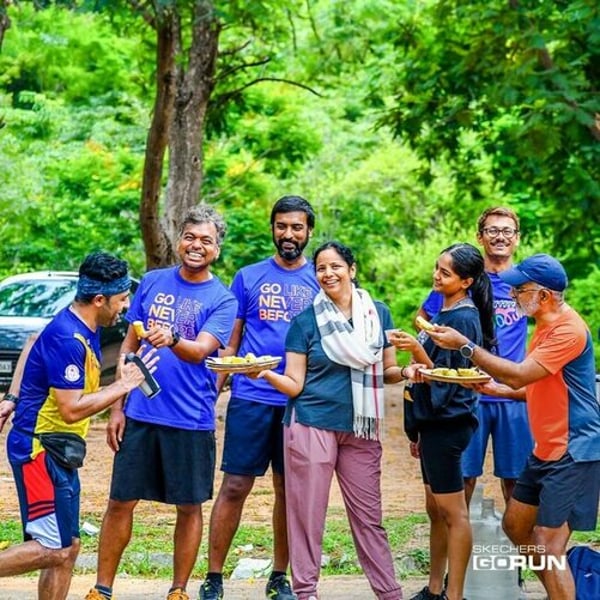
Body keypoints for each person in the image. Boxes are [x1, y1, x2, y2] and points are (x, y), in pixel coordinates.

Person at [85, 206, 238, 600]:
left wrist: (172, 338)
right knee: (120, 501)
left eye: (206, 240)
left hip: (191, 418)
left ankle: (178, 590)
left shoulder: (223, 300)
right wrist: (118, 405)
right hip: (140, 414)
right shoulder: (152, 282)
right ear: (178, 239)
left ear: (217, 249)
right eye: (190, 236)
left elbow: (202, 350)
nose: (196, 245)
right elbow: (129, 346)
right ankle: (102, 588)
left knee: (188, 506)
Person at [428, 253, 600, 600]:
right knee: (516, 525)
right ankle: (559, 588)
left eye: (520, 290)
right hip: (546, 450)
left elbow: (520, 373)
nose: (513, 296)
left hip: (575, 450)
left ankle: (562, 589)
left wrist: (465, 346)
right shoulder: (544, 326)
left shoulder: (568, 330)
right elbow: (533, 384)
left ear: (544, 295)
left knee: (548, 544)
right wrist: (496, 389)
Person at [256, 241, 417, 600]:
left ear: (352, 269)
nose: (328, 273)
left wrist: (407, 370)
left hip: (361, 427)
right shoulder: (306, 321)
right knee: (306, 515)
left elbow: (388, 369)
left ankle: (390, 593)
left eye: (335, 266)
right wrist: (264, 373)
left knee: (368, 517)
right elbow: (294, 384)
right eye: (321, 268)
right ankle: (306, 592)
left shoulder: (378, 313)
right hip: (311, 422)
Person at [0, 252, 153, 600]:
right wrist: (121, 386)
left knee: (68, 547)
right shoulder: (70, 338)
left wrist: (11, 397)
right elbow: (71, 410)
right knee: (54, 549)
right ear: (99, 299)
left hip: (60, 451)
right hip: (39, 450)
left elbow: (32, 342)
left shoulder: (83, 325)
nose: (125, 305)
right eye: (121, 298)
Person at [200, 195, 319, 600]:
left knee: (289, 491)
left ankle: (280, 577)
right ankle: (214, 577)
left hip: (299, 402)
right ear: (272, 228)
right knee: (234, 485)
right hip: (250, 398)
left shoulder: (321, 281)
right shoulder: (248, 277)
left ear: (309, 232)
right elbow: (229, 346)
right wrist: (210, 397)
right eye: (282, 226)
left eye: (297, 227)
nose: (289, 234)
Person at [390, 243, 496, 600]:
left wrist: (414, 349)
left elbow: (447, 379)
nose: (436, 276)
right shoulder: (444, 311)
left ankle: (455, 593)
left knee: (453, 512)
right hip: (430, 422)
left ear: (466, 281)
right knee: (435, 509)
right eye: (436, 268)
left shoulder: (463, 318)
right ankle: (434, 588)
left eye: (445, 272)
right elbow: (433, 372)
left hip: (448, 422)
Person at [416, 206, 532, 506]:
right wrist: (425, 356)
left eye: (507, 231)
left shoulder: (526, 282)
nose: (500, 237)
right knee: (463, 478)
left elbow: (548, 326)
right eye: (492, 230)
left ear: (517, 239)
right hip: (469, 393)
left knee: (517, 482)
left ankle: (525, 552)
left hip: (512, 393)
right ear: (480, 237)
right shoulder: (462, 278)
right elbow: (425, 319)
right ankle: (459, 549)